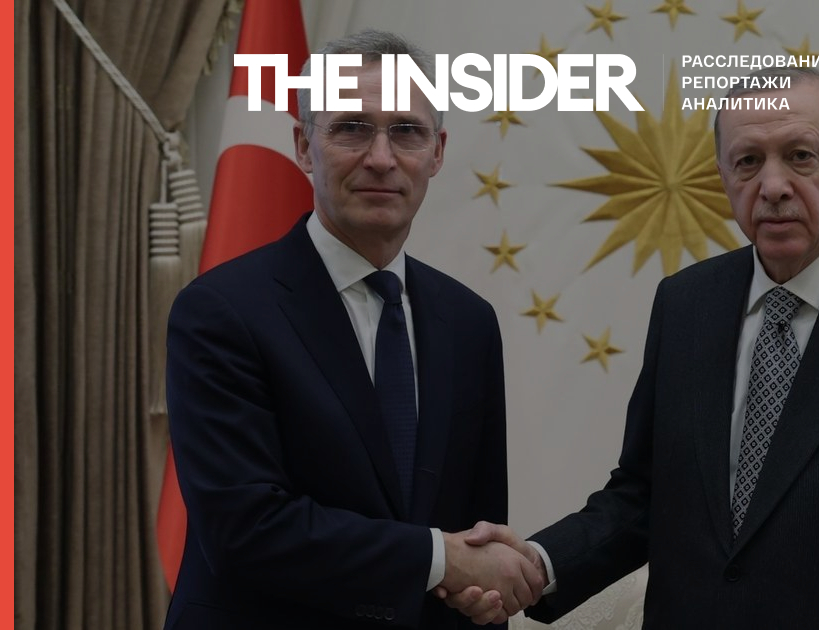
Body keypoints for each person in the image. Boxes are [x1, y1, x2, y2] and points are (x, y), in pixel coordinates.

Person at [444, 67, 819, 627]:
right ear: (723, 177)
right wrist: (539, 565)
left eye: (800, 156)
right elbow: (645, 494)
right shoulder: (686, 304)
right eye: (748, 161)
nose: (773, 186)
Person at [164, 30, 543, 630]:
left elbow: (472, 537)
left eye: (407, 131)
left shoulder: (469, 322)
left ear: (437, 152)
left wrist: (479, 589)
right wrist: (440, 560)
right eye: (352, 128)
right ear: (303, 146)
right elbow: (244, 529)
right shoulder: (220, 311)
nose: (382, 158)